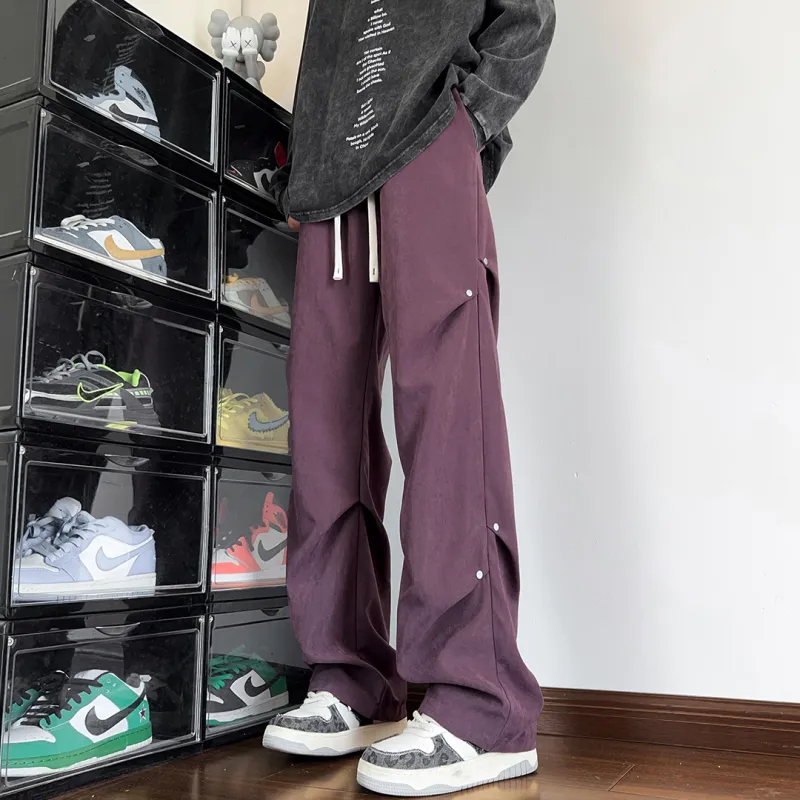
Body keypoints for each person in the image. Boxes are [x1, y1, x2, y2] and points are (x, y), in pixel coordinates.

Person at [262, 1, 556, 796]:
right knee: (323, 426)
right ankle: (351, 676)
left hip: (427, 135)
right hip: (328, 179)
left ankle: (482, 702)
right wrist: (301, 167)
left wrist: (467, 117)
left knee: (446, 407)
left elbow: (527, 15)